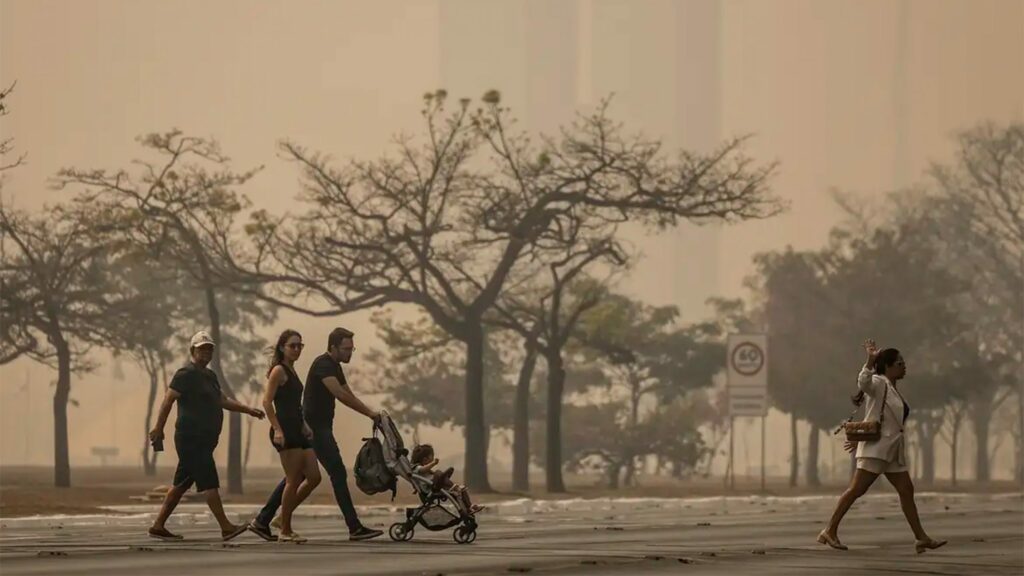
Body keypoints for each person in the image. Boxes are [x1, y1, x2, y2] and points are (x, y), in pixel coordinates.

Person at [248, 327, 383, 542]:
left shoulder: (332, 367)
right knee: (335, 473)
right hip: (314, 428)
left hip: (307, 427)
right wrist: (368, 413)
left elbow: (347, 392)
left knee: (302, 476)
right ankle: (353, 527)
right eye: (347, 349)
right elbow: (339, 395)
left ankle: (266, 519)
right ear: (333, 347)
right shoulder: (322, 365)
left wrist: (372, 413)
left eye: (352, 348)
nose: (350, 353)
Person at [818, 338, 947, 553]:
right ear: (888, 366)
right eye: (899, 363)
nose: (904, 366)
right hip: (877, 449)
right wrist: (869, 361)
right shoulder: (878, 382)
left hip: (892, 451)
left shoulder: (892, 388)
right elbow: (863, 383)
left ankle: (921, 538)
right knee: (856, 490)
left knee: (906, 490)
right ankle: (829, 530)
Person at [147, 330, 266, 541]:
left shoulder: (209, 376)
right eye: (202, 350)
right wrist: (158, 428)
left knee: (181, 484)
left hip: (205, 439)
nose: (206, 353)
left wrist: (249, 410)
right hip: (191, 438)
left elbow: (223, 401)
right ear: (192, 351)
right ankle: (226, 527)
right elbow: (168, 401)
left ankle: (158, 525)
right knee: (210, 482)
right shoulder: (185, 374)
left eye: (209, 349)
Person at [261, 329, 321, 543]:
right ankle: (285, 529)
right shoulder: (278, 370)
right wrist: (277, 429)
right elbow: (267, 402)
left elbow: (295, 405)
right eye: (292, 346)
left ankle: (281, 517)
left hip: (298, 428)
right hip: (285, 429)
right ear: (282, 348)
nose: (297, 349)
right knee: (293, 479)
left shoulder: (293, 370)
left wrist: (305, 424)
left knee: (314, 477)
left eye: (299, 346)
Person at [410, 444, 484, 515]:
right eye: (431, 457)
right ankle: (453, 487)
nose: (432, 459)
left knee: (462, 489)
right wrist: (433, 463)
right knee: (438, 473)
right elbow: (423, 470)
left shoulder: (426, 471)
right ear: (425, 459)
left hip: (435, 485)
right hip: (430, 488)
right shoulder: (416, 468)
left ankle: (469, 507)